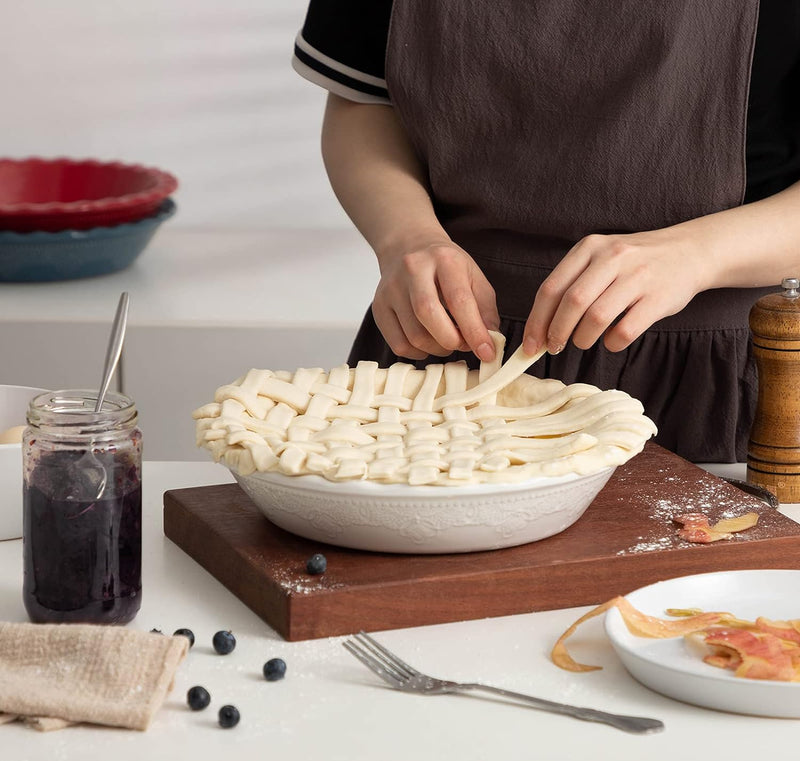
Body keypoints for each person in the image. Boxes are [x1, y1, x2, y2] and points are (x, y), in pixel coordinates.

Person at [292, 0, 800, 463]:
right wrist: (406, 237)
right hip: (444, 357)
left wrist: (698, 254)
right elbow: (365, 100)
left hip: (725, 376)